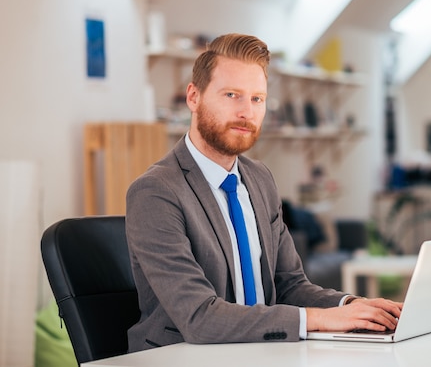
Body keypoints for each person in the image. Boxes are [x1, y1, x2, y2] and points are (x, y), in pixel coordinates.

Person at [125, 33, 403, 352]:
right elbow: (199, 318)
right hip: (183, 357)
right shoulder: (156, 192)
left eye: (257, 98)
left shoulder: (259, 179)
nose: (247, 111)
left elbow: (289, 285)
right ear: (193, 97)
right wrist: (316, 319)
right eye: (232, 95)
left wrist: (354, 307)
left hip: (261, 350)